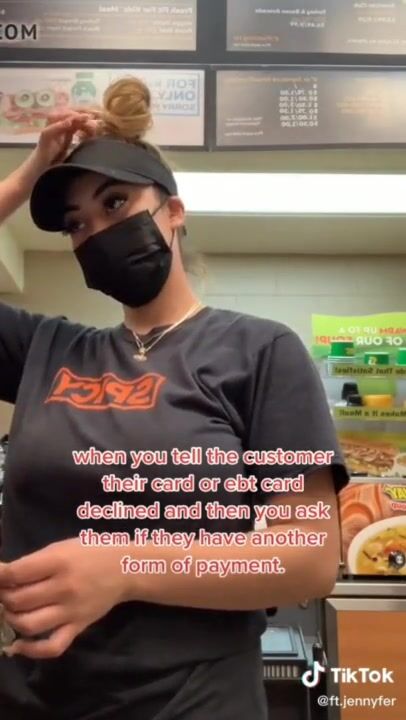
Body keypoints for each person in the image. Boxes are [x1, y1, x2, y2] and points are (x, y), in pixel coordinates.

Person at [0, 76, 349, 720]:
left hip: (192, 701)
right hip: (33, 697)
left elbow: (307, 558)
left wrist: (124, 568)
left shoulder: (259, 352)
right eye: (76, 224)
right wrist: (28, 176)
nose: (95, 232)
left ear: (174, 212)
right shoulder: (46, 351)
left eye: (116, 203)